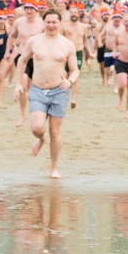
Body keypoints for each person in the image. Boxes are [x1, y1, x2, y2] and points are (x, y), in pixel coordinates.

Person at [13, 9, 79, 179]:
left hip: (59, 91)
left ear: (59, 23)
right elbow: (22, 60)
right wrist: (19, 83)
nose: (51, 25)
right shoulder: (35, 41)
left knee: (55, 132)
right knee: (37, 127)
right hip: (37, 89)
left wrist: (70, 81)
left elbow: (74, 70)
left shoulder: (67, 44)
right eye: (48, 22)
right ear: (43, 23)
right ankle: (41, 139)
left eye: (54, 22)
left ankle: (53, 168)